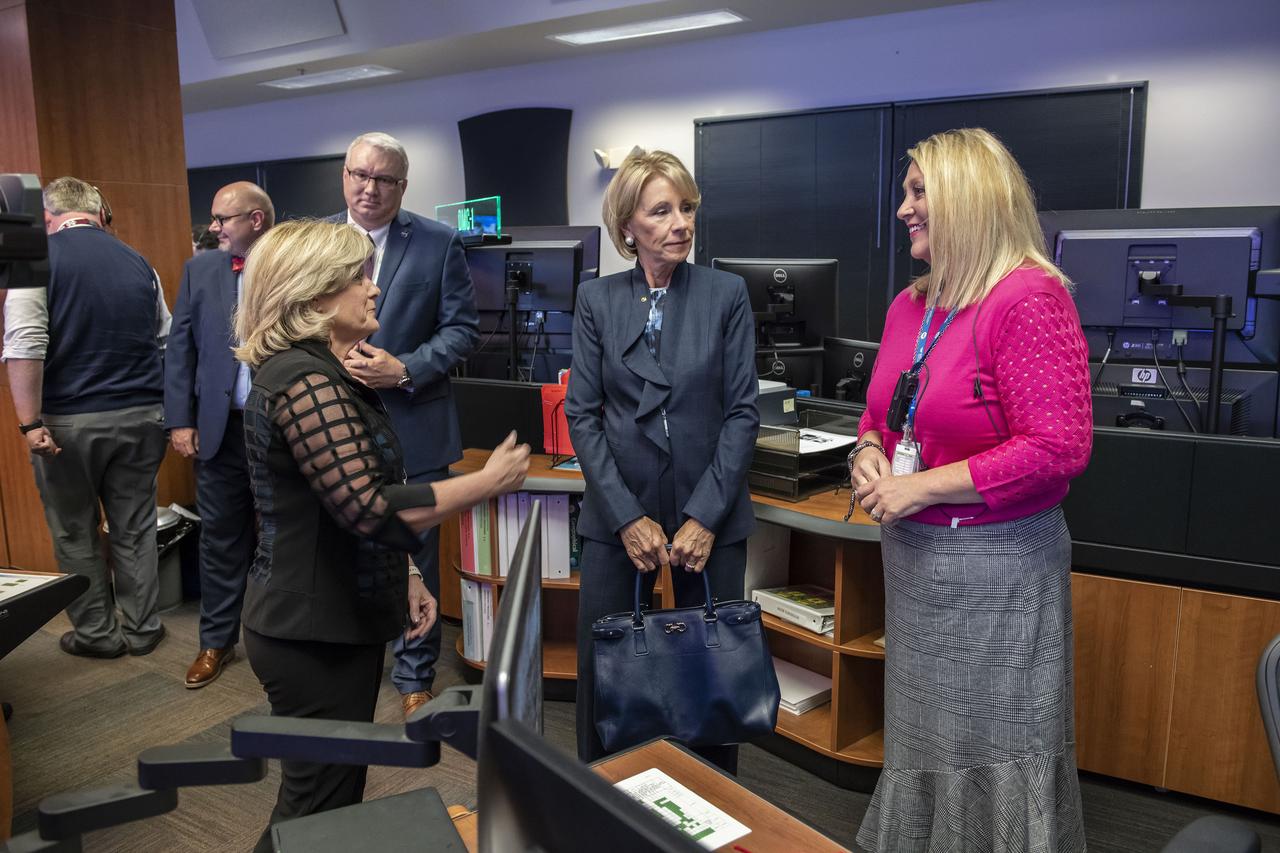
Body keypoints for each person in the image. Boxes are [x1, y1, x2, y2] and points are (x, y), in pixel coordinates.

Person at [232, 219, 528, 848]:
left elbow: (342, 497)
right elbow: (369, 507)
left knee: (332, 797)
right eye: (358, 278)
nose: (374, 290)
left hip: (331, 619)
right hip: (309, 632)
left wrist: (412, 574)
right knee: (317, 804)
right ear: (315, 295)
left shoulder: (324, 373)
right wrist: (488, 481)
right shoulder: (305, 381)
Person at [850, 128, 1091, 852]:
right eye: (906, 192)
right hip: (917, 566)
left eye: (918, 192)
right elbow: (876, 411)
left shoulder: (1028, 298)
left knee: (996, 742)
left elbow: (1059, 447)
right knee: (928, 742)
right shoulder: (911, 305)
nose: (904, 209)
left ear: (965, 198)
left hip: (999, 571)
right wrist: (868, 455)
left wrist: (922, 484)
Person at [565, 150, 759, 773]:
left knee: (715, 670)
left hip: (713, 513)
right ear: (628, 226)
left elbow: (742, 414)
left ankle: (715, 800)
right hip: (619, 519)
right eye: (662, 211)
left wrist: (704, 516)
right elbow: (584, 416)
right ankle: (604, 797)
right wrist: (626, 517)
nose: (681, 223)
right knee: (609, 673)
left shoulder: (725, 293)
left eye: (687, 208)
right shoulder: (596, 299)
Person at [327, 131, 480, 718]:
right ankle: (348, 660)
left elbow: (461, 330)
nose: (369, 189)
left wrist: (406, 368)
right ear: (344, 175)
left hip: (414, 420)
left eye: (384, 179)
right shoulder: (315, 241)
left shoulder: (438, 243)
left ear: (403, 186)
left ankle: (413, 672)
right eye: (359, 174)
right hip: (332, 420)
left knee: (412, 549)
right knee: (342, 550)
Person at [2, 177, 170, 658]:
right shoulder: (139, 261)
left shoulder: (34, 259)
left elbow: (25, 343)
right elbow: (165, 340)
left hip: (69, 424)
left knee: (75, 529)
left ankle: (97, 634)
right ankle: (142, 629)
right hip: (143, 418)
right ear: (100, 214)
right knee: (135, 527)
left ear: (50, 218)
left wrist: (29, 423)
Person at [165, 182, 274, 688]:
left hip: (282, 425)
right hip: (219, 429)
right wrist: (180, 420)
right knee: (221, 538)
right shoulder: (200, 270)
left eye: (222, 218)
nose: (213, 228)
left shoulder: (293, 263)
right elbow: (180, 350)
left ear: (255, 220)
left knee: (289, 534)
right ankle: (215, 642)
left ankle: (287, 640)